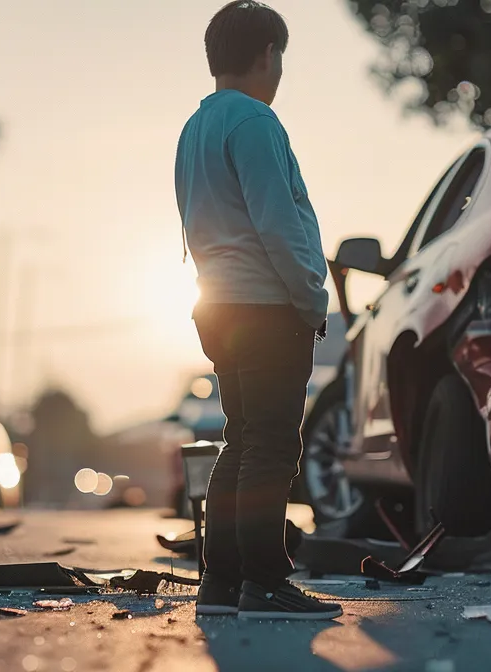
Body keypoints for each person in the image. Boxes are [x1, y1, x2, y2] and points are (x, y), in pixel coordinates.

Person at [173, 1, 338, 621]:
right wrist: (312, 298)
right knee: (271, 447)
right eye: (280, 58)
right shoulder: (255, 122)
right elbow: (278, 223)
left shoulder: (197, 127)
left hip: (218, 305)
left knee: (240, 441)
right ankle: (266, 584)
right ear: (268, 54)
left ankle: (222, 585)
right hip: (266, 306)